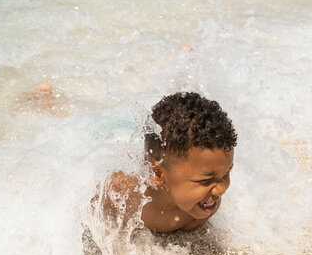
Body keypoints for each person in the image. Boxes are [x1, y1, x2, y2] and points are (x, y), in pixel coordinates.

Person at [101, 92, 237, 233]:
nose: (221, 189)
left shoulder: (201, 210)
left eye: (226, 173)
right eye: (206, 180)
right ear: (158, 173)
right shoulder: (124, 196)